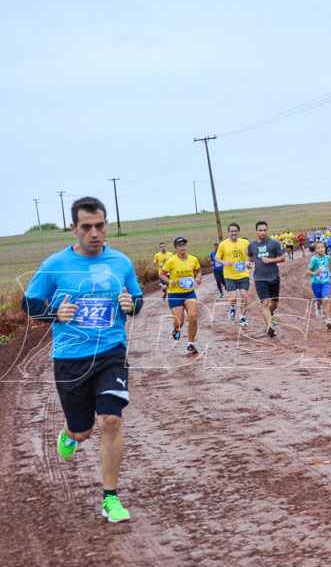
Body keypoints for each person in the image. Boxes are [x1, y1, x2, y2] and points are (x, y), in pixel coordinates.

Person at [21, 196, 142, 522]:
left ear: (106, 225)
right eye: (86, 227)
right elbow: (28, 303)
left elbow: (137, 298)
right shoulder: (55, 265)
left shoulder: (121, 262)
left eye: (100, 226)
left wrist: (133, 305)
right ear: (73, 227)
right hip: (70, 359)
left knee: (111, 421)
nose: (94, 233)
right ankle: (69, 433)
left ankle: (110, 498)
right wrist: (53, 313)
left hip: (110, 353)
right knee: (83, 432)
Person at [160, 237, 202, 355]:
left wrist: (198, 277)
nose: (182, 247)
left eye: (184, 245)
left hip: (189, 292)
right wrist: (169, 282)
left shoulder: (193, 259)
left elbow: (198, 270)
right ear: (175, 248)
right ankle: (177, 328)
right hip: (175, 294)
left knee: (193, 317)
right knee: (179, 321)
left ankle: (190, 344)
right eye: (180, 245)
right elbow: (162, 274)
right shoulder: (171, 261)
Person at [248, 221, 287, 337]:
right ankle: (270, 327)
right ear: (256, 231)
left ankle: (271, 313)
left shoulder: (274, 243)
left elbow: (283, 257)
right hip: (259, 278)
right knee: (265, 303)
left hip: (274, 277)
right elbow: (249, 255)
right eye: (260, 230)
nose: (262, 232)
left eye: (264, 230)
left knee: (274, 303)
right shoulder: (252, 245)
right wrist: (247, 262)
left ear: (267, 230)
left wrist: (271, 260)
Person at [215, 223, 250, 327]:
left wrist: (248, 261)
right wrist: (224, 263)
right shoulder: (223, 244)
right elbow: (217, 258)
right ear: (229, 232)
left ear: (238, 232)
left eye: (235, 231)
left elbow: (249, 255)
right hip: (229, 275)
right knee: (233, 298)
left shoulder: (245, 242)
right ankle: (232, 307)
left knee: (244, 295)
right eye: (232, 231)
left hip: (243, 274)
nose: (233, 233)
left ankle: (242, 317)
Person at [307, 241, 331, 330]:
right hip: (316, 283)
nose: (321, 249)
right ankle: (318, 306)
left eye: (322, 247)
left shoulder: (327, 258)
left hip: (326, 282)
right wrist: (315, 272)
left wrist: (330, 274)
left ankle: (329, 320)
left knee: (326, 299)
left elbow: (326, 268)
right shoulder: (314, 259)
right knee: (319, 301)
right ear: (315, 250)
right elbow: (308, 271)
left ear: (324, 248)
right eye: (318, 248)